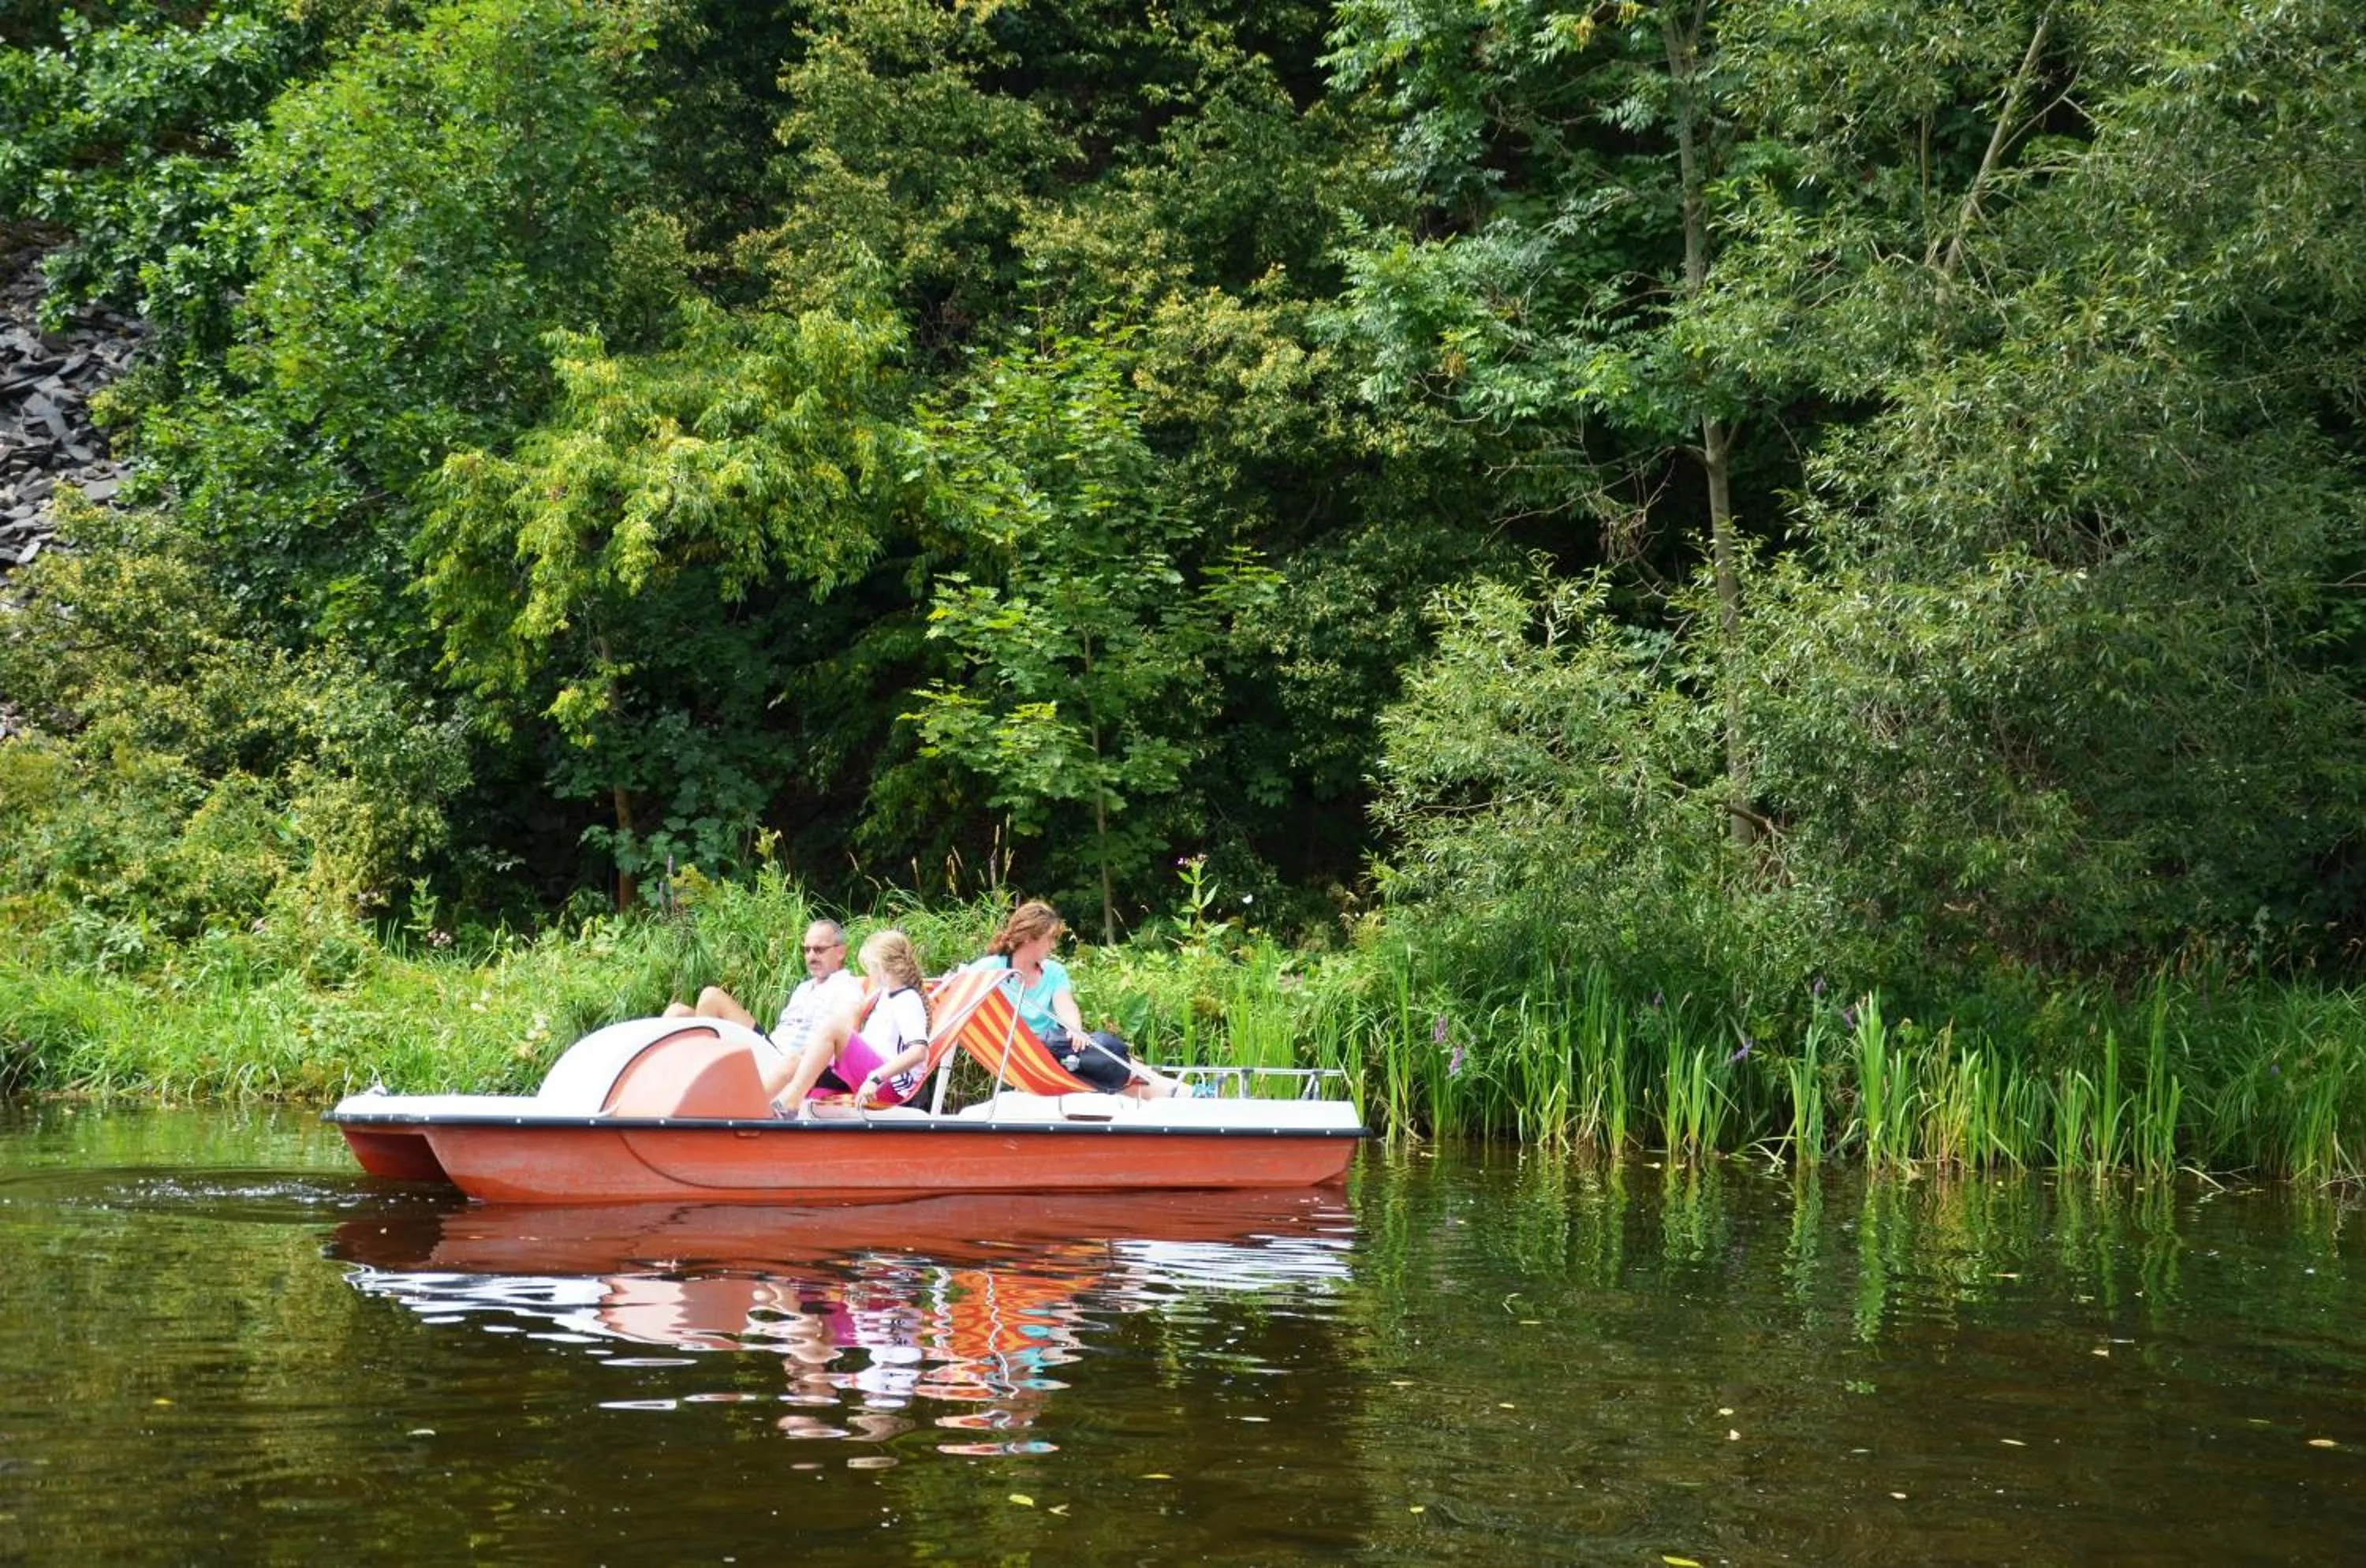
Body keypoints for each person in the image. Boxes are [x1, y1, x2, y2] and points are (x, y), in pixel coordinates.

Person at [966, 900, 1199, 1099]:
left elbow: (1066, 1006)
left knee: (1103, 1054)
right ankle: (1182, 1093)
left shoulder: (1053, 971)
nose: (1054, 946)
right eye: (1050, 939)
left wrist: (1075, 1030)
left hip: (1053, 1050)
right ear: (1030, 938)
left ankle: (1180, 1092)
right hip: (1024, 1053)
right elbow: (954, 986)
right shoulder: (990, 970)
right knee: (1106, 1054)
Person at [762, 929, 937, 1115]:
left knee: (834, 1028)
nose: (868, 972)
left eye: (870, 966)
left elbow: (919, 1052)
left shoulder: (907, 998)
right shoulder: (885, 994)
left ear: (882, 966)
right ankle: (749, 1106)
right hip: (867, 1071)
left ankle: (790, 1104)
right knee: (795, 1060)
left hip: (889, 1084)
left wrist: (875, 1079)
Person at [666, 918, 864, 1058]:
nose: (811, 956)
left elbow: (846, 1037)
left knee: (711, 997)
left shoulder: (846, 987)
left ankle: (702, 1080)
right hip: (768, 1048)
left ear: (840, 952)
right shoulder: (804, 988)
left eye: (819, 949)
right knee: (678, 1013)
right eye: (806, 949)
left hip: (785, 1060)